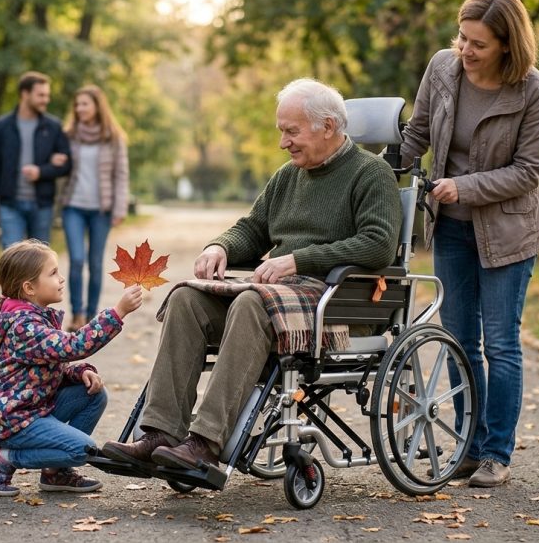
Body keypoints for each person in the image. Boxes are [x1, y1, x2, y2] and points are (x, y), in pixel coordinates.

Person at [100, 78, 402, 471]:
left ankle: (206, 442)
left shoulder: (371, 173)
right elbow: (252, 228)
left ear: (327, 126)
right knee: (187, 299)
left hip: (338, 302)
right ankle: (160, 433)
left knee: (250, 300)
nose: (283, 142)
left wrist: (298, 260)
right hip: (279, 296)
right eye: (282, 131)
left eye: (291, 131)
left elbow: (378, 244)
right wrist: (219, 246)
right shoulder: (287, 176)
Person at [399, 0, 539, 488]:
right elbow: (417, 133)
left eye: (479, 44)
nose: (465, 50)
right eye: (463, 37)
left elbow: (530, 171)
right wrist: (372, 169)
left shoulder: (533, 91)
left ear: (508, 45)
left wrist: (463, 186)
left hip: (508, 231)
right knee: (460, 340)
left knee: (502, 344)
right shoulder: (442, 68)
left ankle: (496, 454)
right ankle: (467, 446)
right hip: (451, 229)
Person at [0, 239, 144, 496]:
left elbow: (49, 364)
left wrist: (79, 372)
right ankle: (4, 457)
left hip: (31, 408)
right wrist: (118, 312)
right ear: (29, 287)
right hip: (12, 419)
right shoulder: (24, 326)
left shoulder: (35, 317)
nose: (61, 279)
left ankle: (55, 473)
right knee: (82, 450)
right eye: (53, 273)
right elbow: (73, 346)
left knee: (93, 395)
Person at [60, 84, 130, 329]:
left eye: (84, 104)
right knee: (77, 259)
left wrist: (119, 208)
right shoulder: (68, 135)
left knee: (96, 261)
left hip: (102, 209)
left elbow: (121, 174)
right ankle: (76, 313)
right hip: (73, 206)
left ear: (97, 106)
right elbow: (59, 165)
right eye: (77, 105)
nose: (79, 109)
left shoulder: (113, 138)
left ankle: (90, 316)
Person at [0, 71, 72, 247]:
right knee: (12, 259)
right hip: (10, 204)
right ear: (25, 94)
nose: (46, 100)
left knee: (41, 263)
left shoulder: (53, 126)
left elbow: (67, 165)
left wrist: (41, 171)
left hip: (42, 205)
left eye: (47, 95)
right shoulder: (2, 126)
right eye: (41, 95)